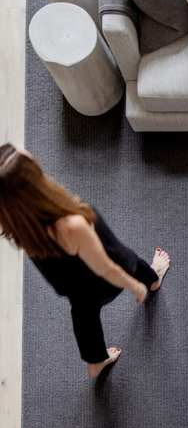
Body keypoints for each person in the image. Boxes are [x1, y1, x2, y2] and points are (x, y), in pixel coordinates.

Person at [0, 144, 171, 379]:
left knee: (84, 316)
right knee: (128, 259)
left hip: (69, 283)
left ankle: (96, 362)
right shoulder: (71, 225)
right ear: (31, 182)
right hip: (101, 279)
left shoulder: (17, 221)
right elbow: (107, 267)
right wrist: (135, 287)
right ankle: (152, 280)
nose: (29, 154)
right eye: (26, 158)